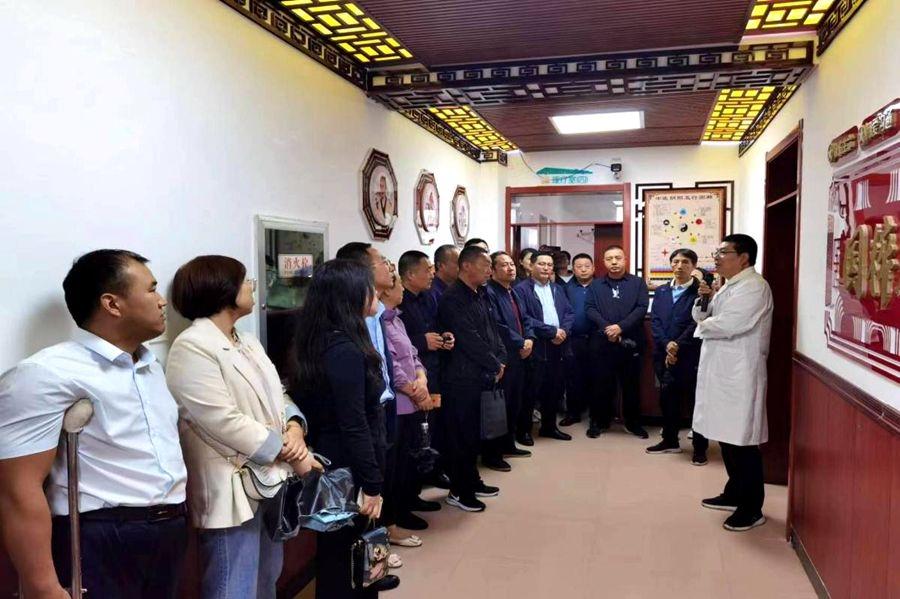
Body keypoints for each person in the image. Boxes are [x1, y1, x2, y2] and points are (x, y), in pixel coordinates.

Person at [0, 249, 188, 599]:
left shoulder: (150, 366)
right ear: (112, 304)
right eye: (151, 289)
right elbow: (17, 489)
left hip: (169, 529)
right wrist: (43, 587)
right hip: (101, 535)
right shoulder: (47, 372)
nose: (162, 301)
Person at [165, 255, 319, 598]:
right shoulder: (191, 346)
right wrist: (288, 450)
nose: (252, 286)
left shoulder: (246, 340)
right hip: (230, 487)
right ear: (222, 290)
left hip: (270, 478)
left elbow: (278, 393)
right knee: (234, 585)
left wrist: (295, 426)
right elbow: (221, 419)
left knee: (267, 578)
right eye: (245, 280)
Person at [291, 259, 399, 597]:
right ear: (350, 295)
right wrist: (372, 483)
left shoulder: (326, 339)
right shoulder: (344, 350)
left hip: (337, 461)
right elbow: (354, 424)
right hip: (347, 469)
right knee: (348, 559)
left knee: (345, 555)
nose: (375, 293)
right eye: (369, 287)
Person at [694, 234, 773, 532]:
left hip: (741, 375)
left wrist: (703, 324)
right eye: (717, 252)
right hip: (722, 372)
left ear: (743, 257)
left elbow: (730, 324)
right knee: (726, 437)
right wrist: (705, 300)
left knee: (742, 441)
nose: (716, 257)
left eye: (723, 252)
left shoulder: (754, 287)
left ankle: (752, 508)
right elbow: (703, 315)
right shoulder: (729, 286)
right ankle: (734, 493)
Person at [437, 246, 506, 512]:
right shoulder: (452, 298)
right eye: (485, 265)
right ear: (466, 266)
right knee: (460, 436)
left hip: (480, 375)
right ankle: (459, 491)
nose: (489, 270)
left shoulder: (481, 293)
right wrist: (494, 363)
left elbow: (492, 330)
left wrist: (500, 358)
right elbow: (468, 338)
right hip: (460, 378)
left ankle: (472, 481)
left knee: (473, 435)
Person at [381, 273, 439, 539]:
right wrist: (416, 391)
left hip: (415, 397)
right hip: (400, 403)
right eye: (398, 285)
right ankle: (396, 514)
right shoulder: (380, 322)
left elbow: (413, 355)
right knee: (397, 464)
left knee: (410, 457)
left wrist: (422, 379)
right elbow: (391, 366)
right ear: (385, 292)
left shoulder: (397, 319)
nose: (402, 290)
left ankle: (410, 501)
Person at [644, 249, 709, 465]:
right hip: (663, 354)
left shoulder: (700, 293)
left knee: (695, 402)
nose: (680, 266)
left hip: (689, 355)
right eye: (676, 261)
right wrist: (666, 345)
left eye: (685, 262)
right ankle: (670, 441)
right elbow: (655, 321)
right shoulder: (662, 291)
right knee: (667, 399)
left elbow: (696, 323)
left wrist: (677, 346)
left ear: (693, 266)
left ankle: (700, 448)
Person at [398, 250, 454, 490]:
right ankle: (414, 483)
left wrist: (444, 336)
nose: (432, 274)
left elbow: (437, 325)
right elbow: (396, 343)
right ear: (410, 275)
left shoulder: (428, 296)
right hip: (410, 380)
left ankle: (433, 471)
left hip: (433, 370)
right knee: (415, 431)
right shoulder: (399, 301)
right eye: (427, 269)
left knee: (433, 424)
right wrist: (423, 341)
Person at [584, 245, 650, 439]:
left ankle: (633, 423)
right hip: (602, 342)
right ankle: (599, 421)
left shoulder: (637, 283)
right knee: (600, 384)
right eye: (609, 258)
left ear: (625, 259)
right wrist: (608, 328)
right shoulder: (596, 285)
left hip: (630, 341)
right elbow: (589, 308)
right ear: (604, 262)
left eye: (618, 258)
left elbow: (641, 308)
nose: (614, 262)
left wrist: (620, 327)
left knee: (631, 385)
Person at [514, 250, 575, 442]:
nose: (546, 268)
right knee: (530, 390)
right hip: (537, 346)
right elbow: (525, 318)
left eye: (549, 265)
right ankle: (523, 431)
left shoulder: (558, 288)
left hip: (559, 346)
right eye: (541, 264)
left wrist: (563, 331)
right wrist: (551, 332)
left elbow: (569, 313)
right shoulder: (521, 289)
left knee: (554, 389)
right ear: (531, 266)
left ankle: (549, 427)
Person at [484, 251, 534, 471]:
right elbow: (497, 326)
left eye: (512, 264)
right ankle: (493, 454)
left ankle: (508, 444)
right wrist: (520, 342)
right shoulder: (489, 293)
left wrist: (529, 339)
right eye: (504, 265)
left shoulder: (513, 291)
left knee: (515, 402)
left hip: (521, 354)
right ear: (492, 270)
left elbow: (526, 318)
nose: (510, 268)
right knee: (499, 407)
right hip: (504, 355)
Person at [559, 253, 595, 427]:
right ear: (573, 269)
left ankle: (597, 416)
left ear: (593, 268)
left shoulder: (600, 286)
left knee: (596, 376)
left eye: (587, 266)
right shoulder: (565, 288)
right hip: (573, 339)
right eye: (579, 266)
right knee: (573, 377)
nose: (583, 269)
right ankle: (573, 413)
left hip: (597, 338)